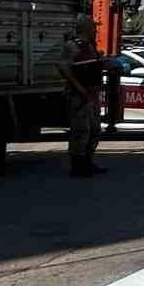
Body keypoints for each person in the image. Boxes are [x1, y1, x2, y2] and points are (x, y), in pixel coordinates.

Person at [57, 14, 106, 178]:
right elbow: (64, 67)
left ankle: (87, 161)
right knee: (80, 131)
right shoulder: (72, 46)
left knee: (95, 130)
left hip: (92, 95)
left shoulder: (90, 45)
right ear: (85, 28)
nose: (95, 29)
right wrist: (80, 90)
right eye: (93, 26)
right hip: (79, 96)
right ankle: (77, 166)